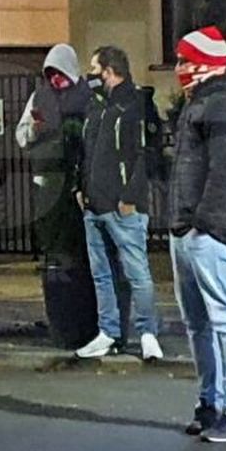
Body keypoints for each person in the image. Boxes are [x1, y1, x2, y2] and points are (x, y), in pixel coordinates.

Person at [169, 26, 226, 443]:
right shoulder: (203, 102)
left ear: (204, 64)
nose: (178, 68)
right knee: (200, 324)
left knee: (223, 319)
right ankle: (210, 404)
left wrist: (201, 222)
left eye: (184, 60)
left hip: (208, 229)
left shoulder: (224, 103)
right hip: (190, 227)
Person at [75, 46, 164, 361]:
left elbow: (145, 155)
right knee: (102, 274)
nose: (90, 75)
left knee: (136, 272)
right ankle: (109, 332)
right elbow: (86, 151)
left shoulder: (135, 104)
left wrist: (130, 197)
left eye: (94, 68)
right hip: (94, 204)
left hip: (123, 206)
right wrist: (80, 188)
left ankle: (148, 333)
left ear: (109, 71)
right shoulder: (97, 106)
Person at [14, 44, 94, 348]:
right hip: (46, 182)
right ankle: (61, 318)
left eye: (59, 74)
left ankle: (83, 319)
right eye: (50, 75)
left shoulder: (86, 97)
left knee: (79, 252)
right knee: (54, 251)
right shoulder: (40, 97)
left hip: (76, 183)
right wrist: (34, 130)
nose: (55, 80)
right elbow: (21, 136)